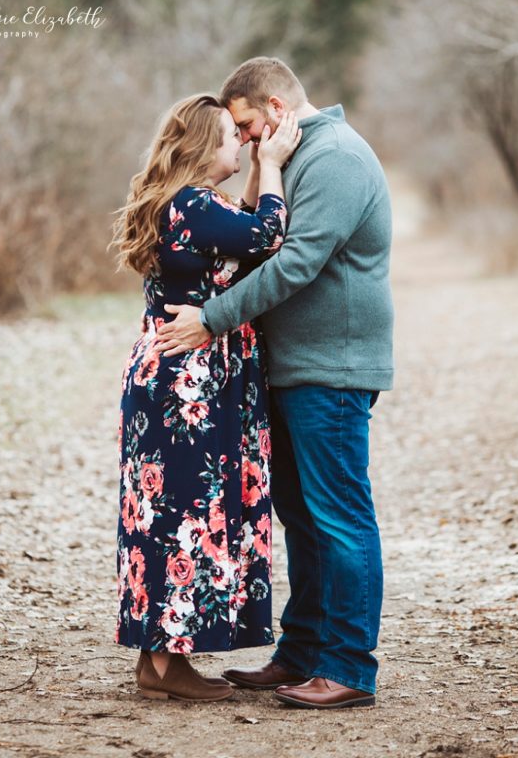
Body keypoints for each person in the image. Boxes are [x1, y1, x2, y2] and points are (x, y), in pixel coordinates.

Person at [156, 57, 394, 710]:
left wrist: (211, 319)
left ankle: (347, 668)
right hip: (292, 369)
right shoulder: (293, 156)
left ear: (274, 105)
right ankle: (300, 655)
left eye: (245, 125)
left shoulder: (336, 158)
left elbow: (295, 262)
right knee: (303, 518)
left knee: (340, 520)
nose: (244, 140)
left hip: (332, 369)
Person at [109, 92, 300, 702]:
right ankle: (168, 667)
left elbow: (237, 242)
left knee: (167, 514)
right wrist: (271, 166)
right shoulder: (192, 203)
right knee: (182, 517)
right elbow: (269, 235)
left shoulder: (191, 204)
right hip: (186, 383)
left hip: (172, 374)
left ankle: (156, 662)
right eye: (231, 134)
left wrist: (250, 176)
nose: (241, 142)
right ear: (200, 146)